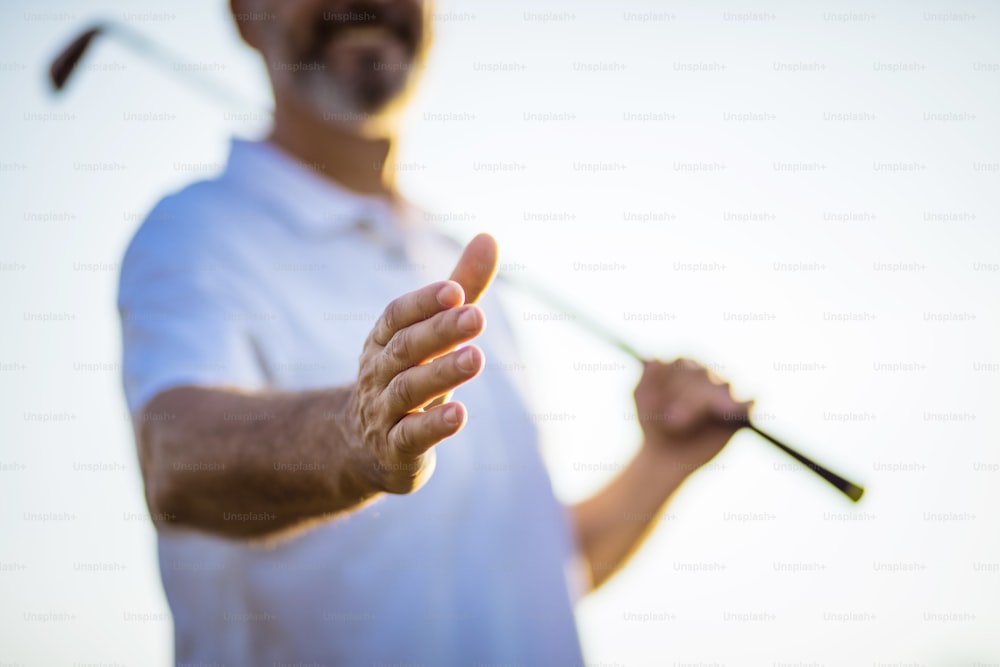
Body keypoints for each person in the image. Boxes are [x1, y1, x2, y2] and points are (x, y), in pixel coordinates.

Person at [117, 1, 752, 664]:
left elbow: (533, 582)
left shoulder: (462, 265)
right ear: (246, 15)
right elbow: (175, 457)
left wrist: (660, 464)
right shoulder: (197, 231)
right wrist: (353, 435)